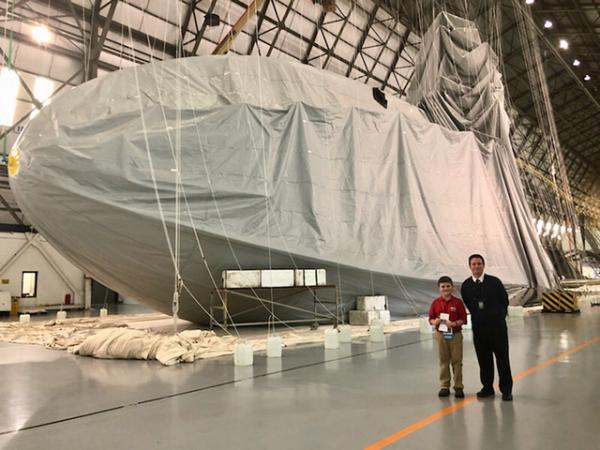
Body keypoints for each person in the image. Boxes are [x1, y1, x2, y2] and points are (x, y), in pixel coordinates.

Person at [461, 254, 513, 401]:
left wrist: (498, 316)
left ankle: (506, 390)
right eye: (473, 264)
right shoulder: (466, 285)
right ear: (469, 266)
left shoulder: (494, 282)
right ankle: (487, 388)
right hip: (479, 329)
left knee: (502, 359)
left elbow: (504, 300)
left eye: (479, 264)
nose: (476, 266)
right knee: (484, 360)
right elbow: (469, 304)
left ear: (483, 265)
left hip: (497, 328)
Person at [428, 276, 468, 398]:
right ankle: (444, 386)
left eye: (448, 286)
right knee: (443, 361)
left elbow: (464, 319)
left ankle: (458, 386)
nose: (445, 288)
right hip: (441, 335)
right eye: (443, 286)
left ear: (452, 287)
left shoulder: (458, 302)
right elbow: (430, 319)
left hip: (455, 335)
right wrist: (435, 322)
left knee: (457, 361)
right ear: (439, 288)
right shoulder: (435, 303)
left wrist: (454, 324)